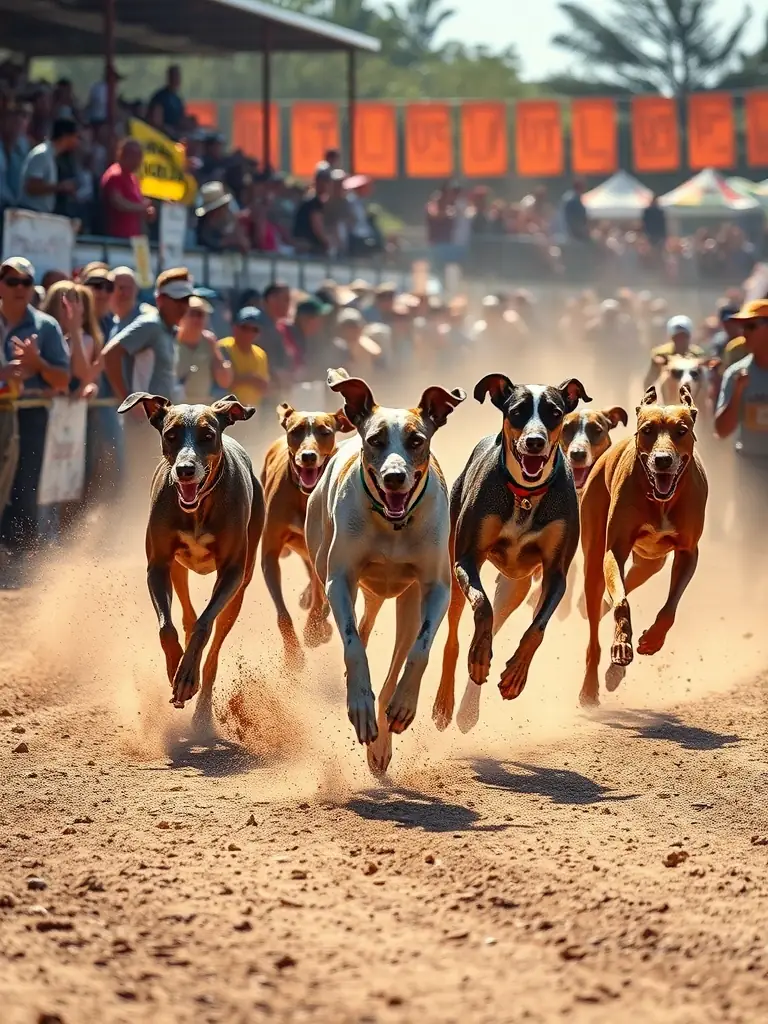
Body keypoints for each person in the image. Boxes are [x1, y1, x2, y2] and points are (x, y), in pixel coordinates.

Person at [0, 257, 70, 556]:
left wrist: (37, 364)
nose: (19, 288)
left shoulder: (47, 326)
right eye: (11, 281)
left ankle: (19, 556)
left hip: (30, 415)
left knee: (25, 486)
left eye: (25, 282)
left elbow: (63, 378)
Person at [176, 295, 233, 404]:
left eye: (200, 314)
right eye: (192, 314)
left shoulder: (208, 342)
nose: (196, 319)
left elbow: (224, 381)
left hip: (200, 406)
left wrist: (215, 351)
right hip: (175, 405)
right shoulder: (173, 339)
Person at [17, 117, 79, 214]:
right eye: (75, 137)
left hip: (39, 214)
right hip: (30, 212)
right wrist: (60, 187)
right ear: (65, 136)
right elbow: (31, 187)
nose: (77, 141)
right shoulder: (42, 155)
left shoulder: (52, 155)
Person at [101, 138, 154, 239]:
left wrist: (148, 211)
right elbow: (118, 203)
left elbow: (139, 202)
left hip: (135, 237)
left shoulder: (133, 178)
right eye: (137, 157)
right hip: (118, 237)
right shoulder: (115, 175)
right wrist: (141, 208)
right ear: (127, 156)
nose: (140, 162)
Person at [218, 307, 270, 409]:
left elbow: (265, 388)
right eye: (245, 328)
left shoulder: (261, 354)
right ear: (235, 327)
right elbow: (222, 382)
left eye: (254, 329)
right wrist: (249, 379)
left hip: (252, 411)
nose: (249, 333)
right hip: (227, 412)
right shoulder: (224, 347)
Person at [644, 314, 704, 390]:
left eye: (683, 336)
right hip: (667, 393)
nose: (680, 340)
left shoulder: (698, 354)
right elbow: (650, 380)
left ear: (689, 337)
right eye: (677, 337)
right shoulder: (661, 354)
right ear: (672, 337)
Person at [196, 181, 248, 252]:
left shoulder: (228, 223)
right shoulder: (203, 229)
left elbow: (244, 245)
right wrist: (231, 241)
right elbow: (211, 243)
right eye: (223, 207)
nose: (226, 210)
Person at [292, 168, 330, 255]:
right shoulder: (313, 202)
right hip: (306, 247)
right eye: (322, 181)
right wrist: (329, 244)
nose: (324, 184)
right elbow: (317, 228)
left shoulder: (319, 202)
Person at [0, 105, 30, 211]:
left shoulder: (22, 149)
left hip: (14, 209)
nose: (16, 128)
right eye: (13, 122)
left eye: (19, 125)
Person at [148, 65, 185, 136]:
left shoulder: (178, 99)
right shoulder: (160, 97)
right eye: (173, 76)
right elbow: (156, 121)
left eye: (177, 77)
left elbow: (181, 119)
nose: (176, 79)